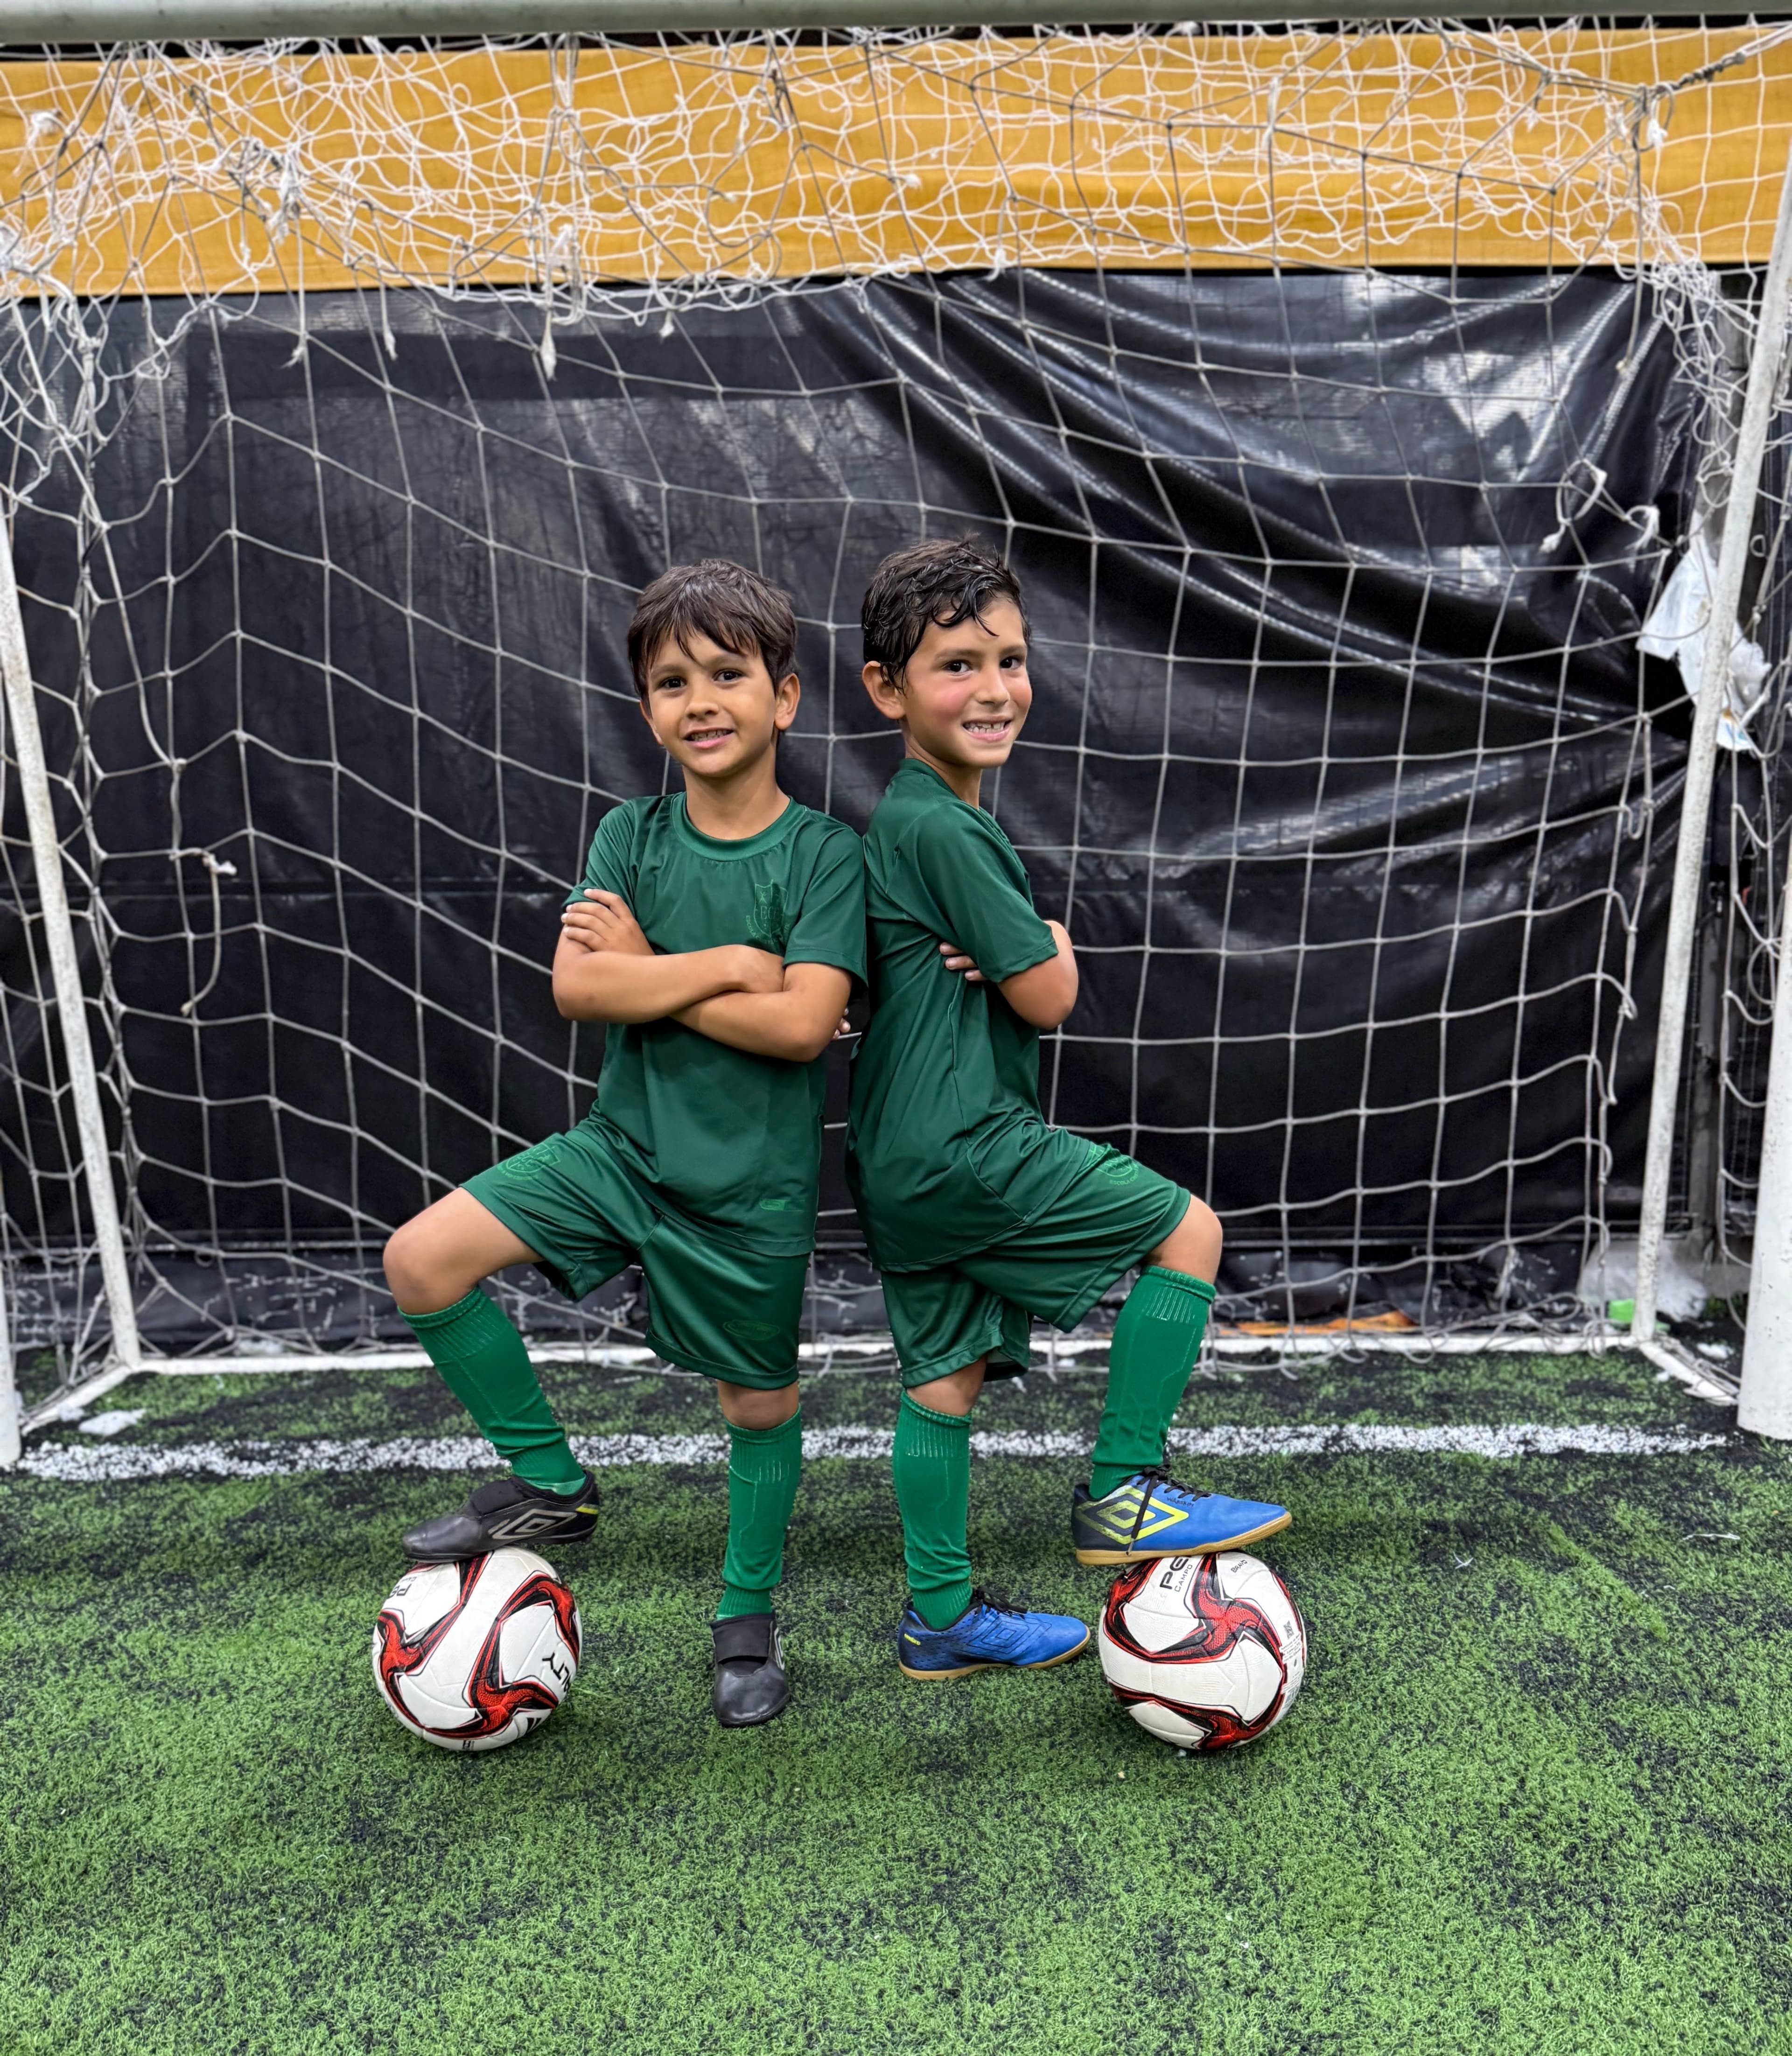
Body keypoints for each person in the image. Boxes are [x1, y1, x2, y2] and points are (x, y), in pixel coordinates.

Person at [383, 560, 864, 1728]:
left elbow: (803, 1026)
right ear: (647, 709)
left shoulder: (823, 855)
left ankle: (745, 1613)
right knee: (421, 1259)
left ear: (785, 697)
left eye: (726, 674)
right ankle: (552, 1485)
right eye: (669, 681)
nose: (699, 699)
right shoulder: (630, 834)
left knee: (755, 1406)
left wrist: (648, 968)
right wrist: (724, 962)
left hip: (747, 1189)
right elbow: (576, 987)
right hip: (619, 1150)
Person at [847, 536, 1290, 1682]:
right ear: (887, 689)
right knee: (1190, 1232)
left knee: (941, 1378)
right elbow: (1050, 995)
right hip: (964, 1142)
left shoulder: (907, 816)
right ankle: (1124, 1493)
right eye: (957, 665)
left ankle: (940, 1617)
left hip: (899, 1152)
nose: (994, 688)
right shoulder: (944, 824)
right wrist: (1048, 941)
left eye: (1010, 658)